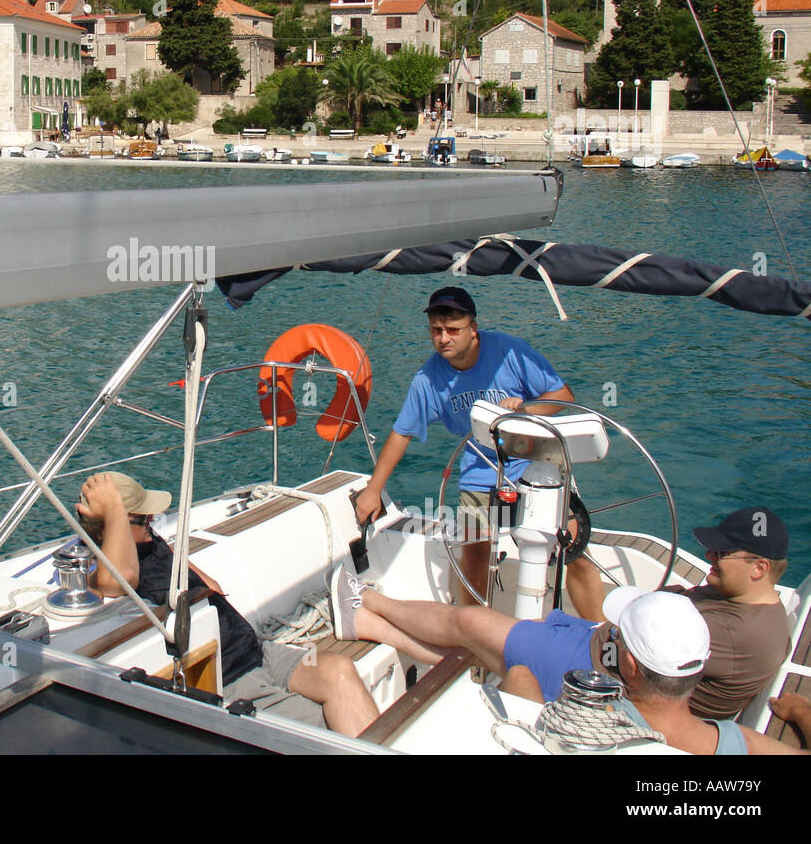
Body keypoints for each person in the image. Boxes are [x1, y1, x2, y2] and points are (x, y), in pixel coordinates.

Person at [329, 572, 805, 755]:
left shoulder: (579, 724)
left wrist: (518, 679)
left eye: (615, 636)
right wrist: (802, 713)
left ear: (630, 668)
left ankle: (368, 601)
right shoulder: (732, 743)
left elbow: (516, 714)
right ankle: (368, 623)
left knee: (487, 643)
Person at [76, 471, 379, 738]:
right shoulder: (107, 569)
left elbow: (213, 588)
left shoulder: (150, 542)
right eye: (142, 518)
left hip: (254, 650)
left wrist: (140, 530)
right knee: (325, 727)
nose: (152, 521)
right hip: (234, 679)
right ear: (109, 526)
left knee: (341, 669)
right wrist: (115, 513)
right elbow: (116, 580)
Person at [352, 286, 575, 597]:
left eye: (453, 330)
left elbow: (563, 397)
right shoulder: (427, 380)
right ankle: (470, 636)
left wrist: (522, 409)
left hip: (538, 462)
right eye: (436, 330)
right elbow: (402, 433)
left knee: (574, 551)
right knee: (473, 555)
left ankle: (602, 629)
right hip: (481, 471)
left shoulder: (510, 353)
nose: (444, 338)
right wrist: (373, 490)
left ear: (473, 328)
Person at [567, 505, 791, 720]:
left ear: (759, 568)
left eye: (722, 552)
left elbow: (632, 655)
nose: (709, 554)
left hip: (603, 678)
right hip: (606, 648)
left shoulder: (733, 631)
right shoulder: (744, 600)